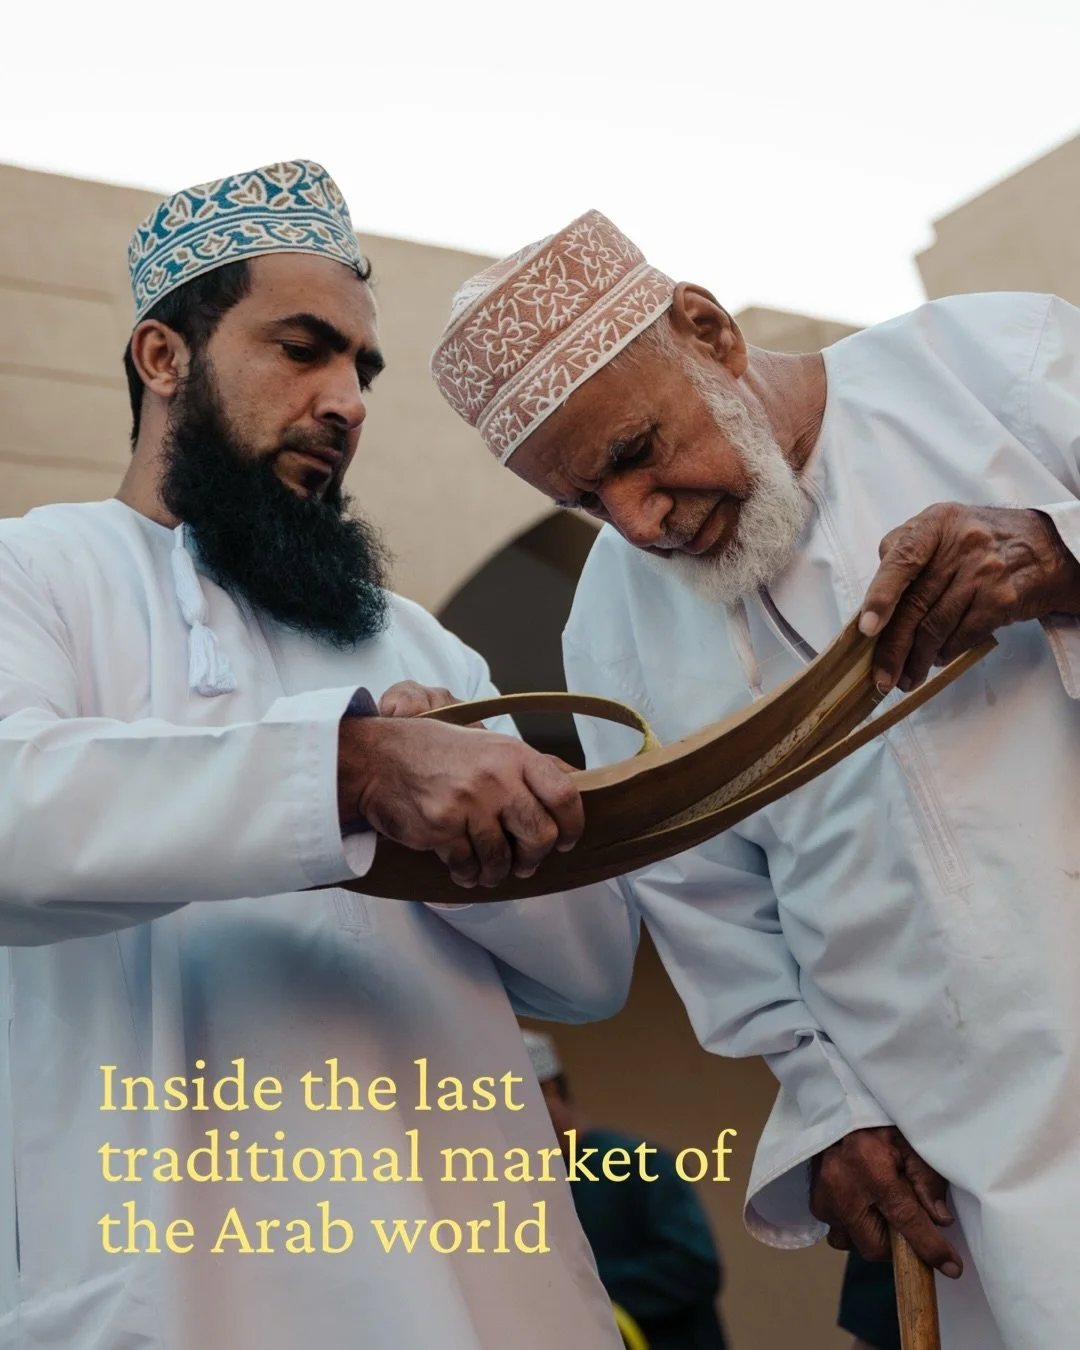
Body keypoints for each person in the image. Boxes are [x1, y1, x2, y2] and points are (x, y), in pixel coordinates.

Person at [0, 164, 641, 1350]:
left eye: (362, 369)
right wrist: (353, 771)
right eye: (302, 350)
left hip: (474, 1298)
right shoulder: (34, 574)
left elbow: (594, 964)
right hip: (183, 1301)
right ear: (162, 357)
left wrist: (459, 826)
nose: (346, 401)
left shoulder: (419, 644)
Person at [429, 209, 1080, 1350]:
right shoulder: (611, 624)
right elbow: (709, 909)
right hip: (970, 1169)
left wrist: (1058, 552)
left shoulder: (997, 368)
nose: (639, 521)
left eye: (635, 451)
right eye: (584, 500)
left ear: (709, 331)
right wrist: (834, 1109)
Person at [522, 1030, 728, 1350]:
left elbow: (694, 1268)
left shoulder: (639, 1163)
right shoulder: (532, 1185)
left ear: (547, 1089)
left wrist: (584, 1286)